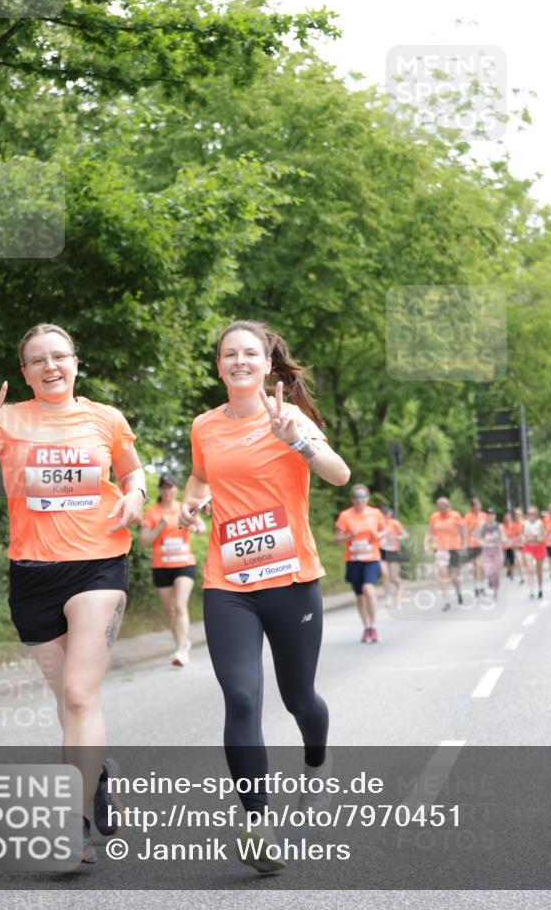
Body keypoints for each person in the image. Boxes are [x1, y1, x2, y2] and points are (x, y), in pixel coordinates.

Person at [0, 323, 147, 864]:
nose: (50, 366)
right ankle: (99, 778)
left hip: (98, 567)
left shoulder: (106, 418)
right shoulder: (7, 421)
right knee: (66, 701)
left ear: (76, 361)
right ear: (26, 373)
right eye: (38, 360)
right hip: (32, 575)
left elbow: (132, 471)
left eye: (59, 356)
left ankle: (76, 827)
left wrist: (137, 494)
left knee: (79, 695)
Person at [178, 319, 350, 873]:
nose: (239, 361)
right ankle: (258, 825)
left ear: (268, 364)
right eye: (229, 354)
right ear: (219, 365)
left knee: (300, 699)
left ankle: (316, 754)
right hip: (229, 584)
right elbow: (199, 478)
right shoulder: (205, 426)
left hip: (292, 581)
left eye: (250, 353)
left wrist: (294, 438)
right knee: (242, 697)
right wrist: (191, 504)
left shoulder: (290, 416)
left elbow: (339, 474)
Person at [140, 472, 205, 666]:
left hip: (184, 564)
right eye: (163, 487)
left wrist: (193, 528)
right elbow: (143, 542)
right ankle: (181, 644)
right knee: (170, 611)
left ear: (176, 489)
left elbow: (202, 528)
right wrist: (159, 526)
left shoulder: (183, 507)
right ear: (160, 490)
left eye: (170, 487)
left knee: (179, 605)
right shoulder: (152, 513)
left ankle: (181, 651)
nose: (166, 491)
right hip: (161, 567)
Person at [335, 486, 387, 641]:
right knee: (359, 597)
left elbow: (385, 530)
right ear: (352, 499)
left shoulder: (375, 513)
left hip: (371, 559)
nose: (359, 500)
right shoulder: (345, 515)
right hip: (353, 560)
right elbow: (337, 539)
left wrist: (379, 534)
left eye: (362, 497)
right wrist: (349, 536)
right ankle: (366, 627)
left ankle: (374, 626)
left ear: (367, 498)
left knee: (368, 590)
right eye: (356, 497)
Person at [425, 498, 464, 612]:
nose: (442, 509)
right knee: (443, 574)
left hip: (454, 548)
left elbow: (462, 531)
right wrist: (426, 544)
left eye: (444, 507)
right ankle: (446, 601)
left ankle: (458, 590)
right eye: (440, 507)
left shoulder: (455, 516)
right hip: (440, 548)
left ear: (448, 506)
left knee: (454, 577)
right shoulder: (434, 517)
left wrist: (463, 544)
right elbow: (429, 532)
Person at [378, 505, 409, 608]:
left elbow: (405, 535)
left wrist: (397, 537)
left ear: (390, 513)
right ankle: (388, 598)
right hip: (381, 550)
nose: (385, 515)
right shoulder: (378, 523)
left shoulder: (395, 523)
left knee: (393, 577)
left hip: (392, 551)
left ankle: (400, 586)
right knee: (385, 575)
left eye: (386, 513)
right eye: (383, 514)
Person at [478, 507, 506, 600]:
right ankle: (489, 579)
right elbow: (479, 537)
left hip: (497, 551)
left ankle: (496, 590)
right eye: (488, 515)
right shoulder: (483, 527)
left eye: (492, 515)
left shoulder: (499, 526)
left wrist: (500, 539)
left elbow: (503, 537)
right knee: (487, 570)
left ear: (495, 516)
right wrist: (483, 542)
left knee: (496, 573)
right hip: (486, 551)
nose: (490, 517)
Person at [462, 497, 487, 596]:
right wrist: (465, 543)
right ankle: (476, 586)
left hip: (482, 544)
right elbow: (464, 530)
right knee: (476, 565)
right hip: (472, 544)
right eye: (475, 505)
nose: (477, 507)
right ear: (472, 507)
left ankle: (483, 586)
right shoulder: (468, 516)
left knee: (482, 565)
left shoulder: (484, 515)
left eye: (478, 504)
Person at [522, 505, 546, 599]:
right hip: (528, 547)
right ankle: (531, 590)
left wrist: (537, 538)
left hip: (539, 547)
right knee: (530, 568)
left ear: (536, 514)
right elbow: (522, 535)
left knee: (539, 570)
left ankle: (540, 588)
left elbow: (543, 536)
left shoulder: (540, 523)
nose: (530, 515)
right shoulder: (525, 523)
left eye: (532, 513)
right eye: (529, 514)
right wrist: (525, 538)